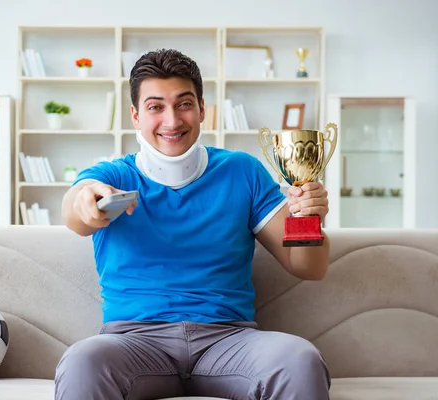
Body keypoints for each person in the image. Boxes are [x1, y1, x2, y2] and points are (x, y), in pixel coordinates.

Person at [55, 48, 331, 400]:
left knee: (299, 359)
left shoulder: (241, 171)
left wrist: (307, 217)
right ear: (136, 116)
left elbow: (309, 267)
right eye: (156, 107)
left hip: (229, 341)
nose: (172, 121)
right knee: (81, 361)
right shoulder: (112, 175)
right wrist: (86, 201)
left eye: (184, 104)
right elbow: (74, 212)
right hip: (134, 343)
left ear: (202, 109)